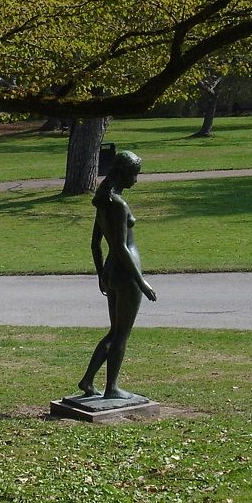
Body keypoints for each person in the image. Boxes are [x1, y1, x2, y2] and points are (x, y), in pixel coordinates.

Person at [77, 150, 156, 400]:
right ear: (123, 173)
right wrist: (141, 282)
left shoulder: (104, 201)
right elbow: (121, 247)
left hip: (112, 271)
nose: (136, 180)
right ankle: (112, 387)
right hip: (126, 274)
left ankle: (88, 380)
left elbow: (95, 244)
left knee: (114, 332)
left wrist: (102, 274)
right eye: (134, 174)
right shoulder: (118, 205)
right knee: (121, 335)